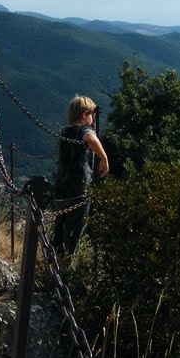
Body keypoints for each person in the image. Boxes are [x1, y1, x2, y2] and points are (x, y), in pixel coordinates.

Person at [51, 95, 109, 256]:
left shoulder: (65, 131)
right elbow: (90, 138)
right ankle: (65, 272)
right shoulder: (85, 129)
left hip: (60, 192)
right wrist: (104, 158)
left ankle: (50, 266)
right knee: (73, 238)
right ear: (84, 114)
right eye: (91, 115)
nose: (93, 120)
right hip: (79, 192)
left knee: (59, 235)